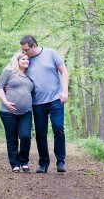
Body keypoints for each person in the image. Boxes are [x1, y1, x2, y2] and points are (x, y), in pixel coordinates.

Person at [20, 35, 69, 173]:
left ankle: (60, 162)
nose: (24, 52)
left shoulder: (51, 53)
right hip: (37, 102)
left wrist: (64, 92)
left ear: (34, 46)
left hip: (55, 99)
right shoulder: (25, 60)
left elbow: (64, 71)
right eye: (22, 50)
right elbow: (15, 72)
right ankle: (44, 163)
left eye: (26, 49)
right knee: (41, 134)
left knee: (58, 128)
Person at [0, 51, 35, 173]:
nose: (26, 61)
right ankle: (15, 164)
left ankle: (24, 161)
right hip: (8, 112)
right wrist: (6, 102)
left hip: (26, 112)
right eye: (23, 59)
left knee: (25, 136)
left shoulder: (30, 75)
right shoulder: (9, 72)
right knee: (12, 138)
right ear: (17, 61)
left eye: (27, 59)